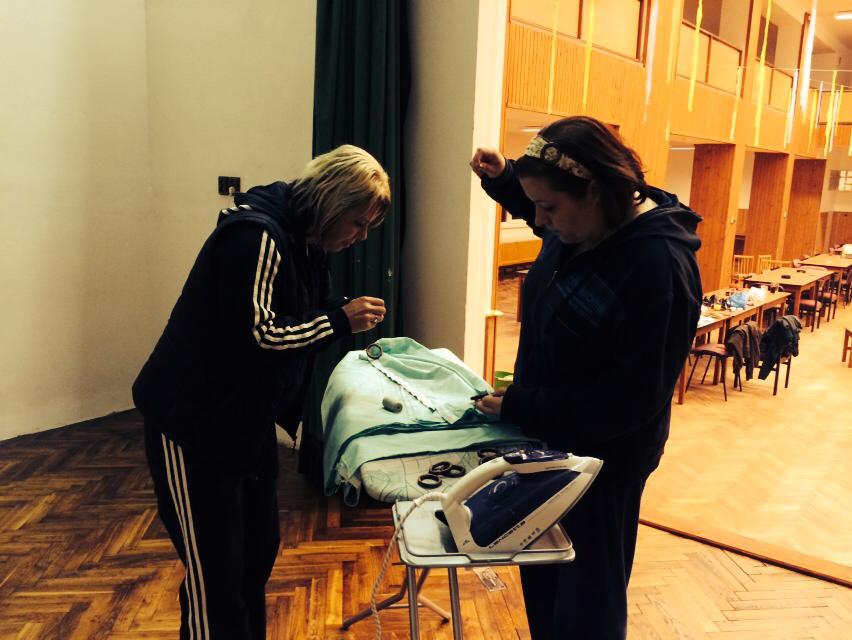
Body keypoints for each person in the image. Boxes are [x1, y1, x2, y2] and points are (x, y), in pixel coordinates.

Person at [132, 144, 390, 639]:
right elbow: (256, 337)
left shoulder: (304, 241)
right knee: (215, 575)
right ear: (332, 203)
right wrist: (339, 320)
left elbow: (295, 310)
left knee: (254, 556)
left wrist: (335, 312)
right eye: (358, 223)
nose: (360, 236)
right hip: (191, 421)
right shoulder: (256, 237)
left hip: (242, 420)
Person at [469, 116, 702, 639]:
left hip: (604, 464)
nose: (540, 220)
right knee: (544, 580)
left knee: (587, 603)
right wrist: (505, 180)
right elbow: (543, 211)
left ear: (594, 191)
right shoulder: (584, 226)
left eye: (548, 208)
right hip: (551, 439)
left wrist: (523, 406)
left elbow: (631, 401)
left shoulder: (659, 267)